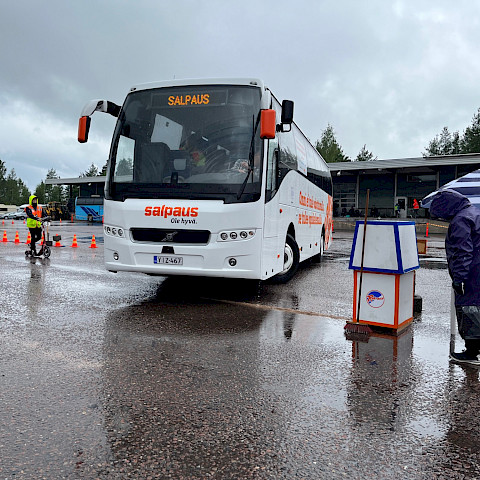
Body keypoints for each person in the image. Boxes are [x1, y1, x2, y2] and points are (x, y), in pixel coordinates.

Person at [430, 189, 480, 365]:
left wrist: (459, 278)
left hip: (472, 274)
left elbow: (462, 252)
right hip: (476, 270)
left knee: (469, 309)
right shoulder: (474, 212)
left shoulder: (461, 220)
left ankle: (473, 352)